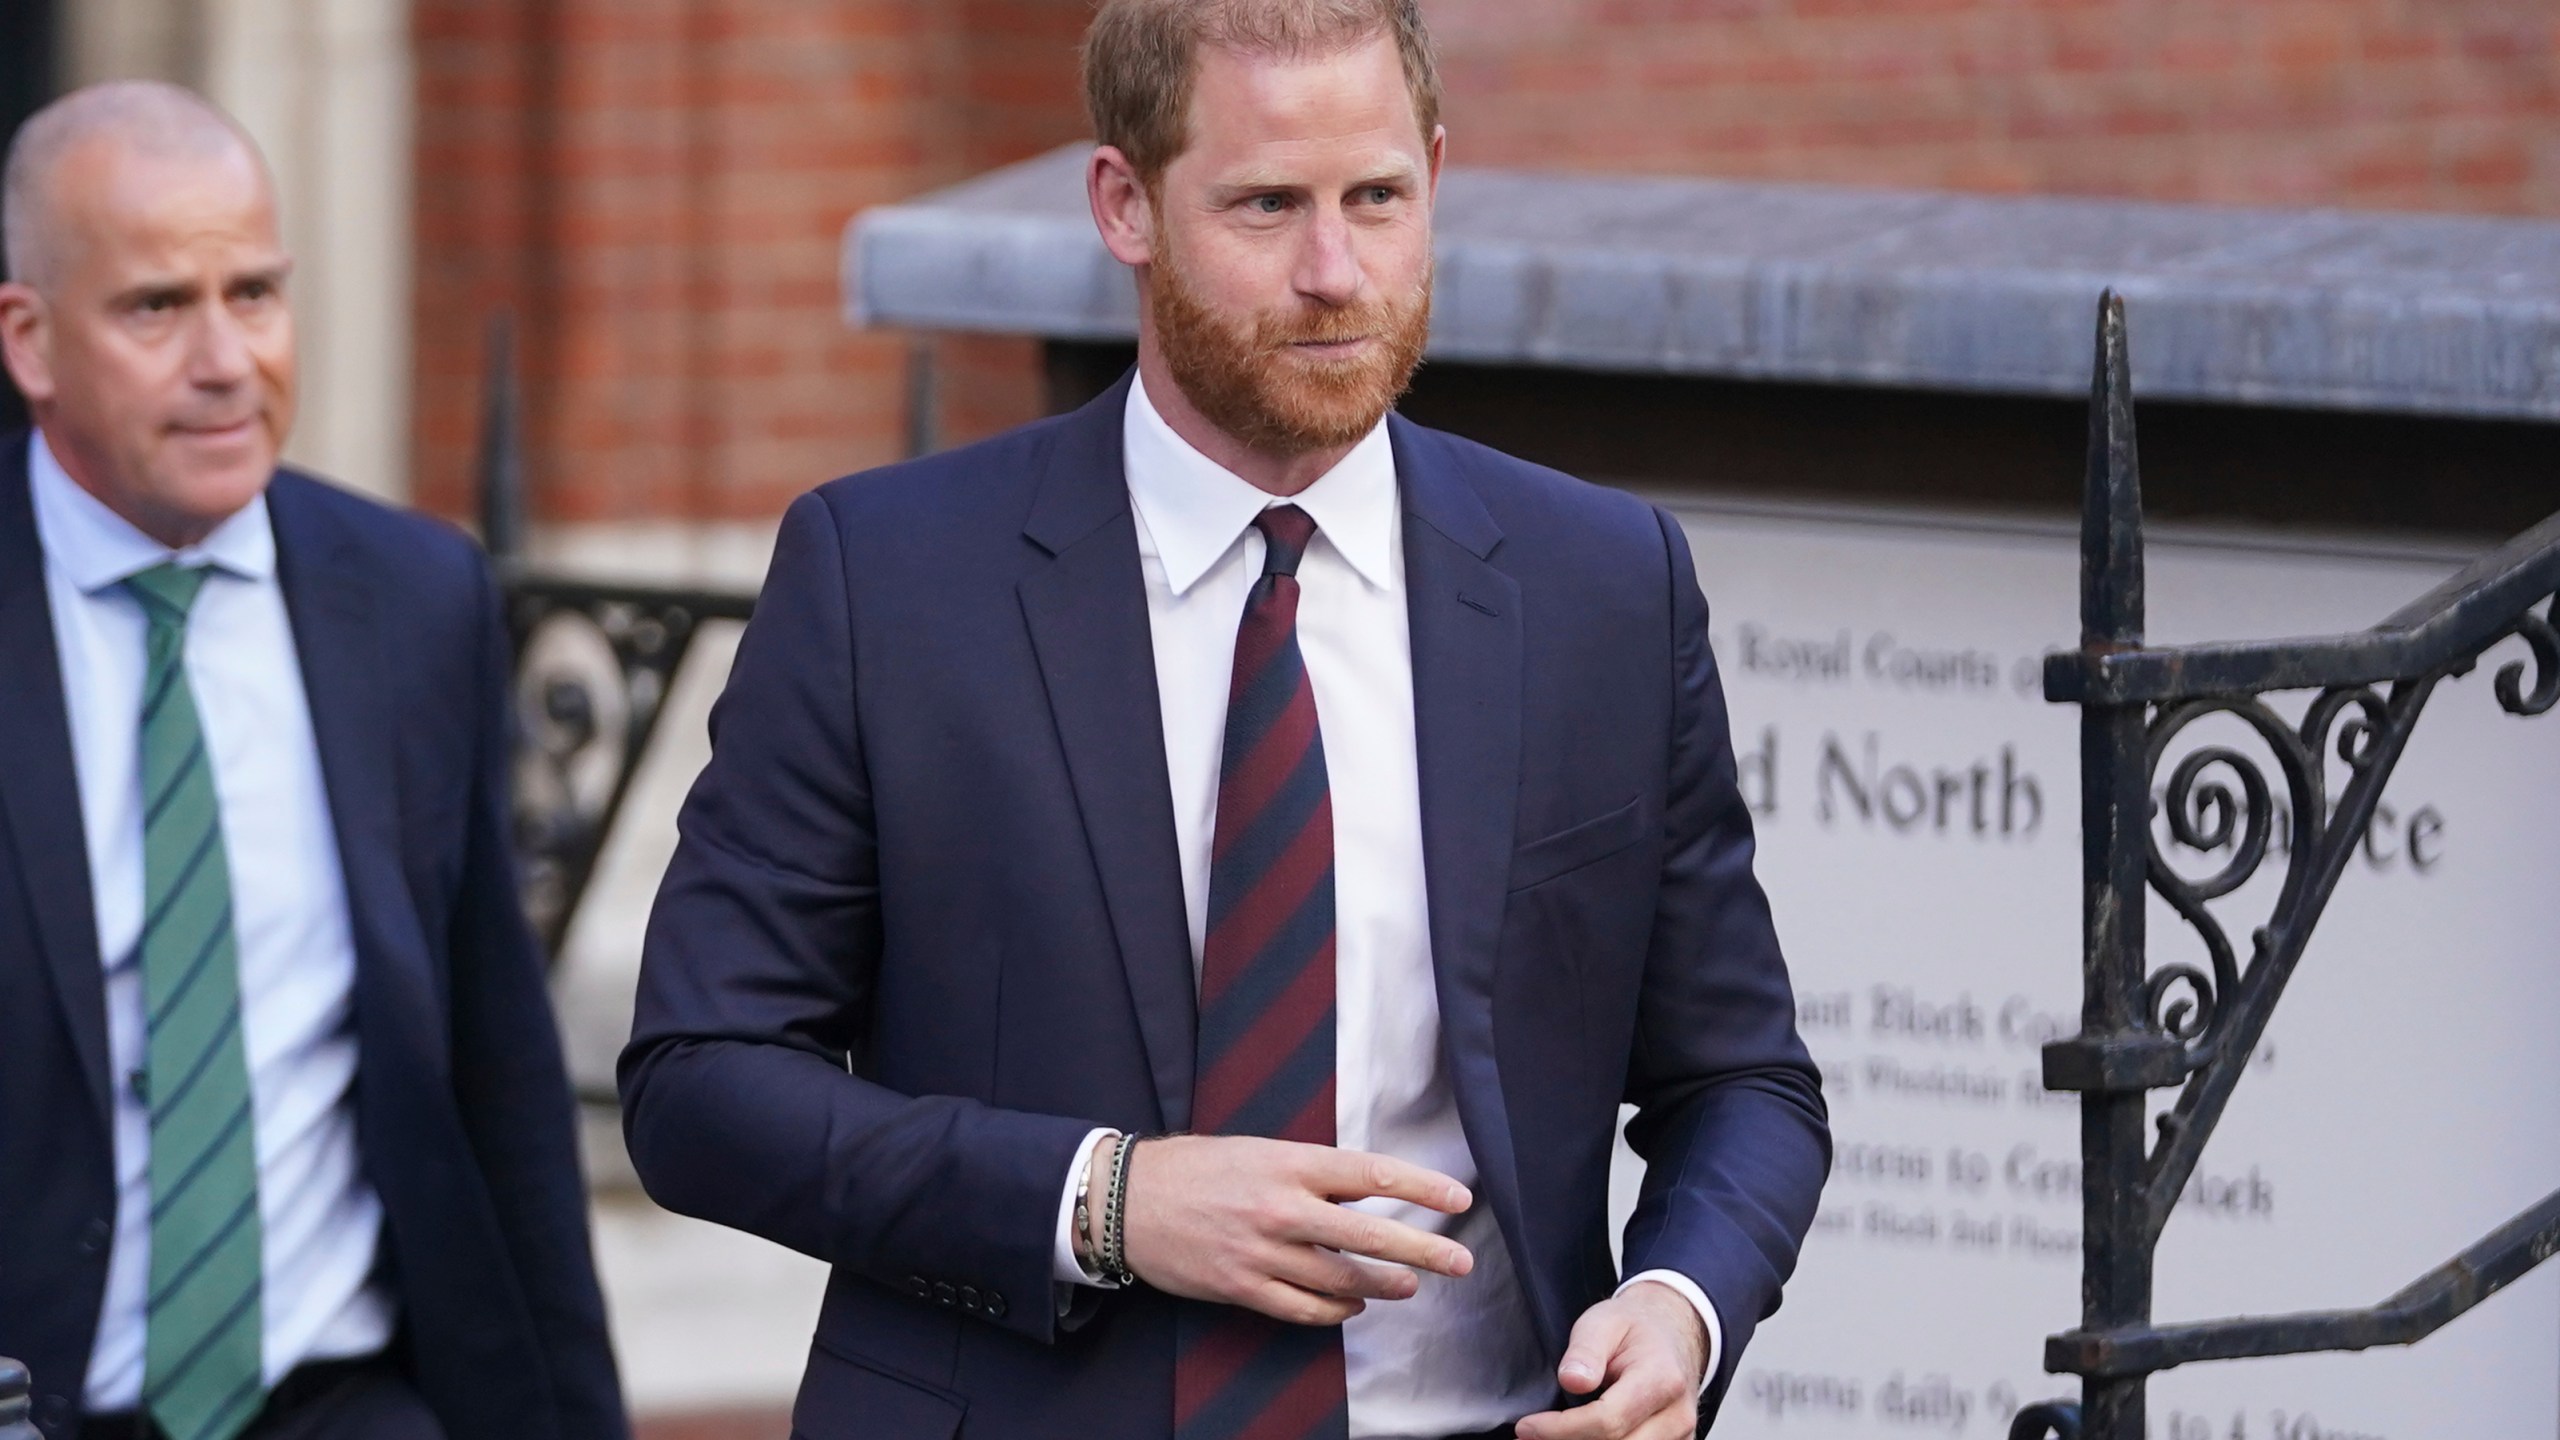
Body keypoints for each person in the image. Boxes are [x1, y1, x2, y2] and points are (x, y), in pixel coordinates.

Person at [621, 1, 1829, 1436]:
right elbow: (699, 1085)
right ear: (1123, 203)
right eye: (1267, 206)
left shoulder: (1602, 585)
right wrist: (1104, 1200)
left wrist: (1682, 1303)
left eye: (1376, 199)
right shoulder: (888, 581)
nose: (1336, 273)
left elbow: (1743, 1078)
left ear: (1434, 177)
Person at [0, 83, 627, 1440]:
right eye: (157, 307)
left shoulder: (414, 596)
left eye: (257, 294)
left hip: (344, 1404)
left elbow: (496, 1065)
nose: (226, 359)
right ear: (31, 341)